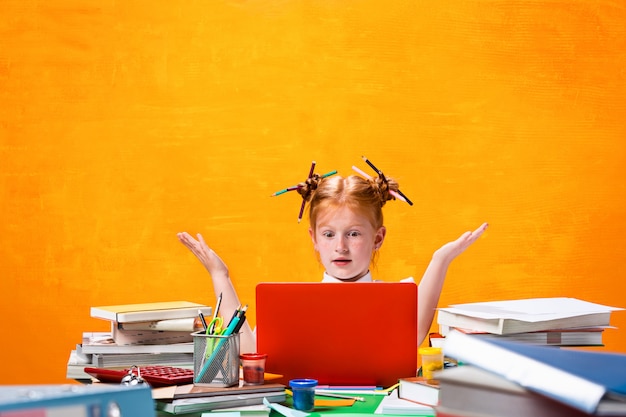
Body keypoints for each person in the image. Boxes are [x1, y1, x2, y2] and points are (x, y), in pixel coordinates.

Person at [178, 169, 488, 354]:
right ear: (314, 238)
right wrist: (220, 274)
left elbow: (415, 335)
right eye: (328, 235)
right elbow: (250, 351)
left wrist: (440, 259)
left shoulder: (396, 298)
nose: (340, 247)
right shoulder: (292, 305)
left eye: (353, 233)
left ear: (378, 238)